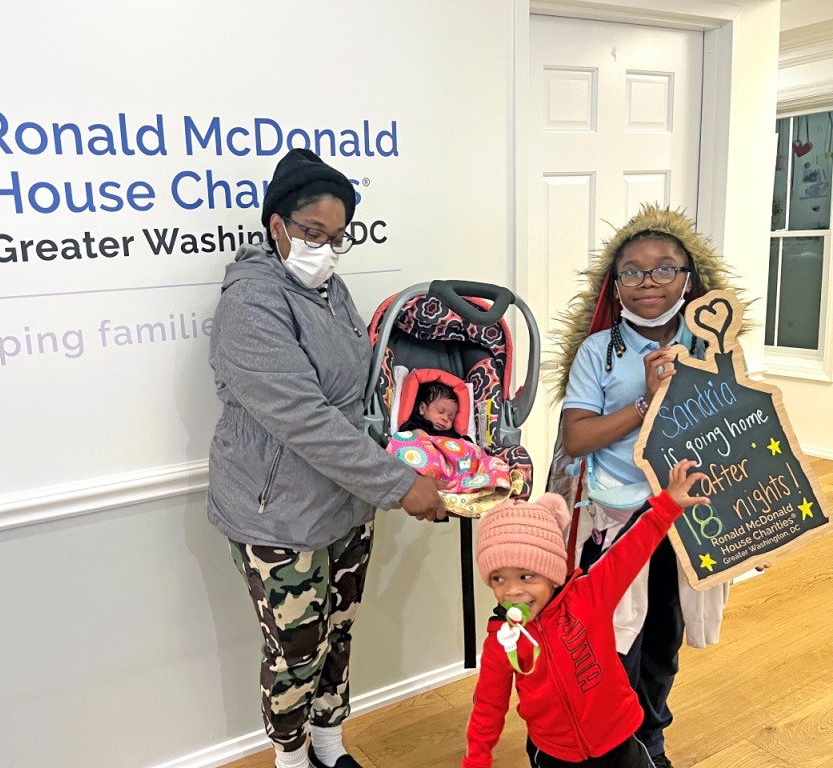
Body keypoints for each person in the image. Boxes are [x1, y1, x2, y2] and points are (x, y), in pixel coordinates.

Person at [207, 148, 446, 768]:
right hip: (279, 516)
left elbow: (364, 385)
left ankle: (331, 746)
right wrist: (399, 484)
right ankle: (290, 759)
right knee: (296, 650)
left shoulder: (330, 290)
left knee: (339, 630)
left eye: (337, 237)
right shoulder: (251, 304)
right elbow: (304, 420)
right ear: (276, 225)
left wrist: (439, 435)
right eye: (312, 233)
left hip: (346, 500)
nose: (325, 249)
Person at [549, 204, 748, 768]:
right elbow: (578, 435)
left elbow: (740, 428)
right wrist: (646, 401)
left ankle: (649, 741)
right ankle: (611, 746)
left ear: (689, 277)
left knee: (664, 639)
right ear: (615, 286)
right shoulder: (599, 352)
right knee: (614, 644)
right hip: (615, 523)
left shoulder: (715, 346)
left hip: (685, 521)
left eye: (664, 268)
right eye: (632, 272)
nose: (648, 283)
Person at [462, 460, 708, 768]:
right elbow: (488, 706)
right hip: (554, 753)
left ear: (551, 573)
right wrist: (477, 759)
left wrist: (667, 505)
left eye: (526, 577)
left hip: (619, 741)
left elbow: (628, 552)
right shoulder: (502, 639)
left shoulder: (588, 596)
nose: (511, 591)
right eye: (498, 578)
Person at [400, 381, 465, 438]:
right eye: (440, 412)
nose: (445, 419)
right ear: (422, 408)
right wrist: (416, 432)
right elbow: (403, 432)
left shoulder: (451, 434)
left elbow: (462, 442)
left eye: (451, 418)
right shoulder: (415, 423)